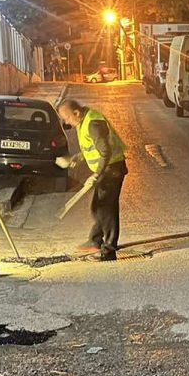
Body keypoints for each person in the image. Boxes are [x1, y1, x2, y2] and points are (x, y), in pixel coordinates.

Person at [55, 99, 128, 261]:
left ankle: (108, 250)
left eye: (67, 118)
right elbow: (92, 148)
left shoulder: (93, 124)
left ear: (76, 113)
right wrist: (76, 158)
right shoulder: (84, 120)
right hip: (109, 169)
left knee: (104, 208)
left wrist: (96, 175)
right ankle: (95, 240)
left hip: (111, 170)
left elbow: (105, 151)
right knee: (102, 207)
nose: (66, 122)